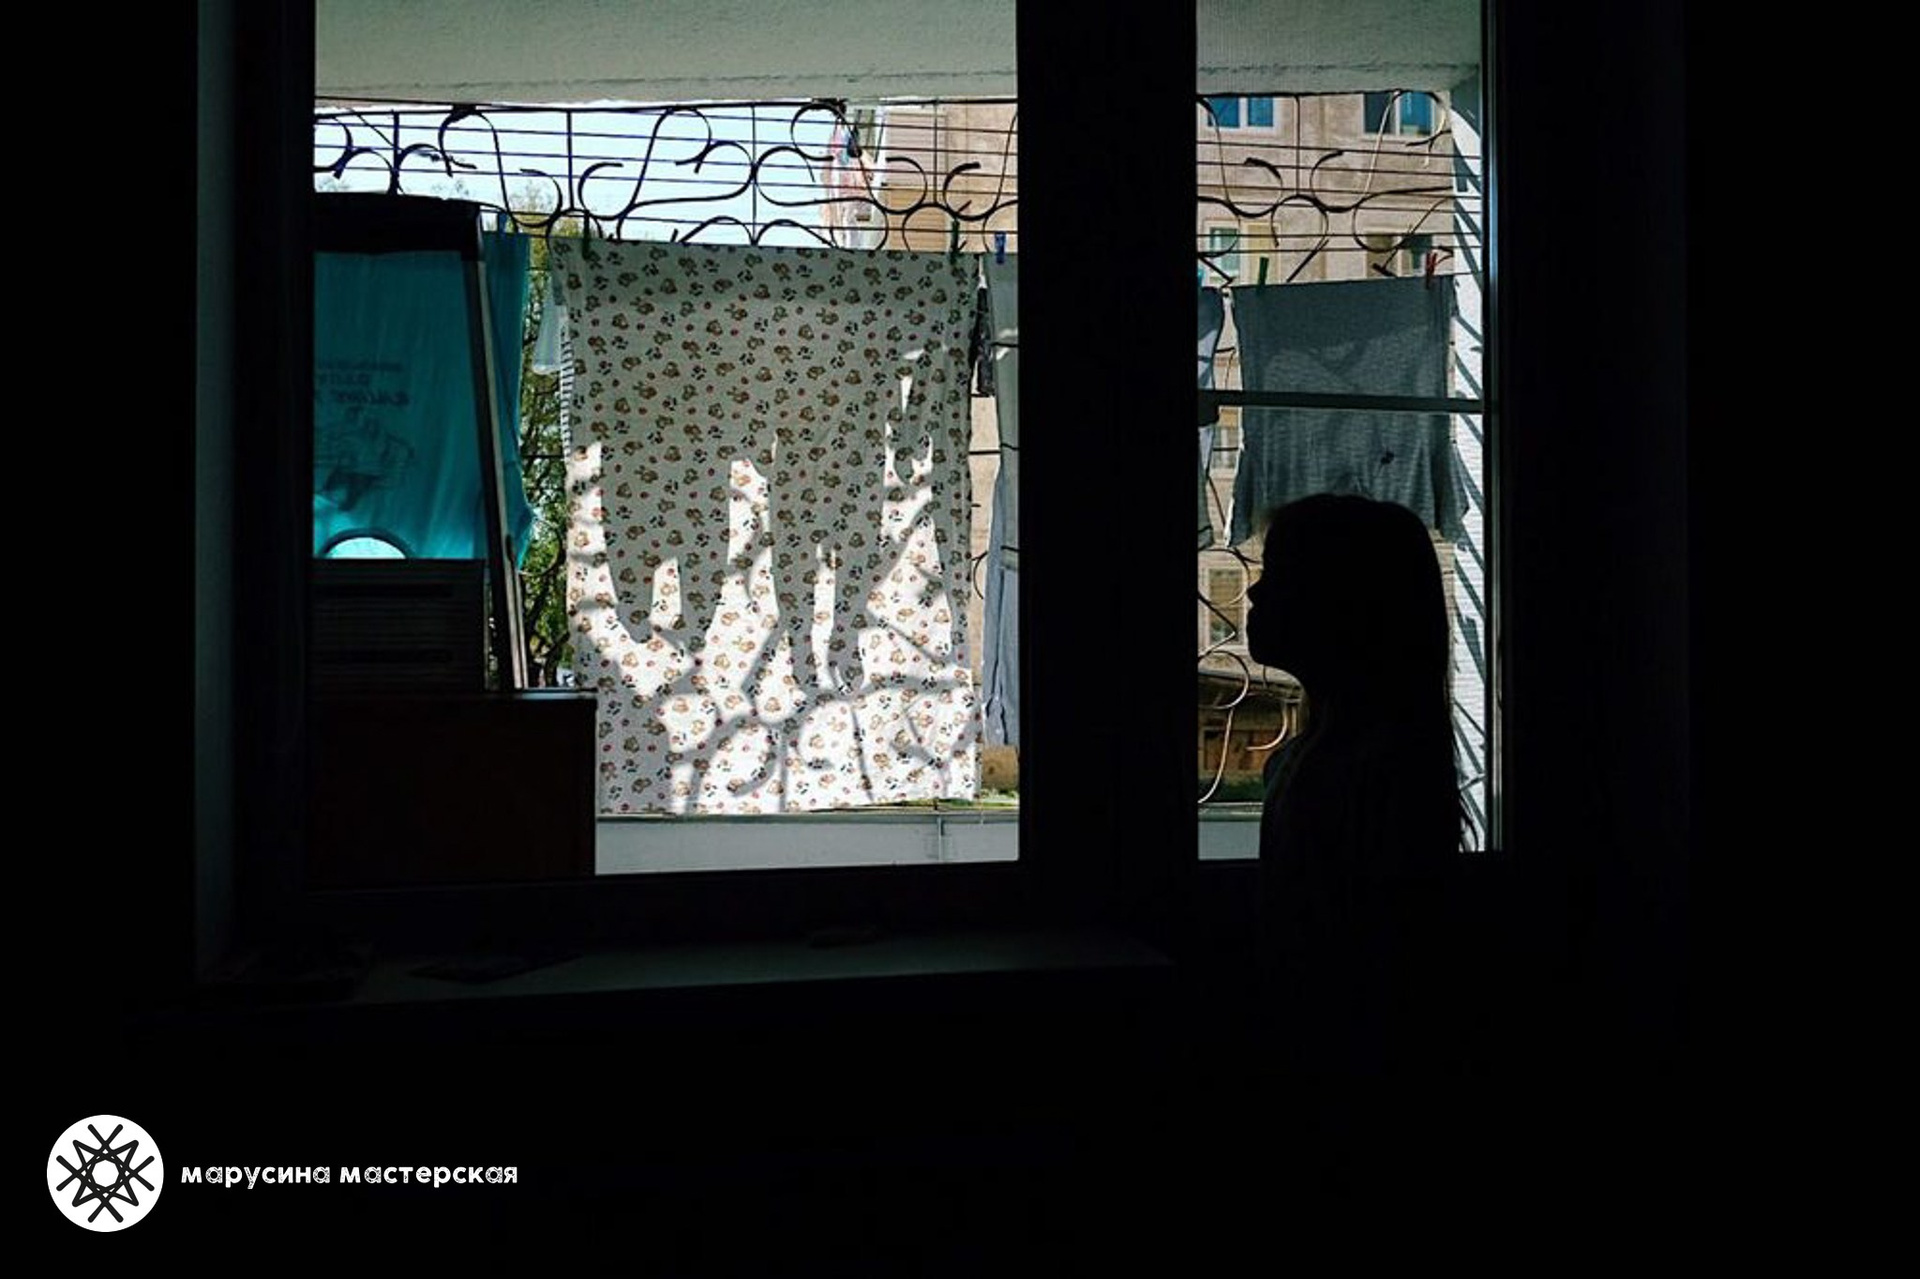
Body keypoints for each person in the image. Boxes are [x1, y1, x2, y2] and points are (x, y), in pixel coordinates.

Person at [1244, 494, 1463, 1089]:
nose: (1254, 593)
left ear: (1340, 605)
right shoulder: (1334, 757)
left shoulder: (1367, 771)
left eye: (1278, 576)